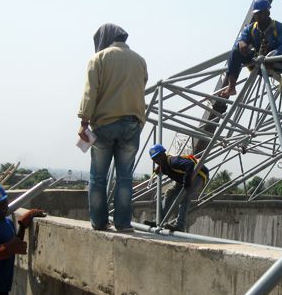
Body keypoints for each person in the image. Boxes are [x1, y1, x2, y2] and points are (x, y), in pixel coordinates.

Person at [78, 23, 148, 232]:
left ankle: (99, 222)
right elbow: (141, 86)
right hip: (132, 125)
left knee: (98, 177)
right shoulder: (140, 60)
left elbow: (90, 93)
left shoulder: (99, 58)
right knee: (125, 178)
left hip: (105, 124)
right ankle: (123, 224)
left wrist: (84, 121)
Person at [219, 0, 282, 103]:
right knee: (235, 52)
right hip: (257, 58)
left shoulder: (279, 28)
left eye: (260, 14)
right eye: (256, 14)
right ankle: (231, 86)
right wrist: (241, 43)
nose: (257, 16)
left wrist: (275, 54)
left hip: (275, 58)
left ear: (267, 13)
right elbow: (241, 39)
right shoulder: (251, 28)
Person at [149, 145, 209, 232]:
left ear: (163, 154)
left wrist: (187, 182)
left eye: (158, 157)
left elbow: (190, 164)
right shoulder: (164, 166)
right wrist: (161, 169)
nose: (157, 160)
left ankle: (180, 226)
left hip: (198, 175)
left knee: (184, 198)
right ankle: (159, 220)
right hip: (184, 178)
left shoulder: (173, 161)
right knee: (169, 193)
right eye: (154, 159)